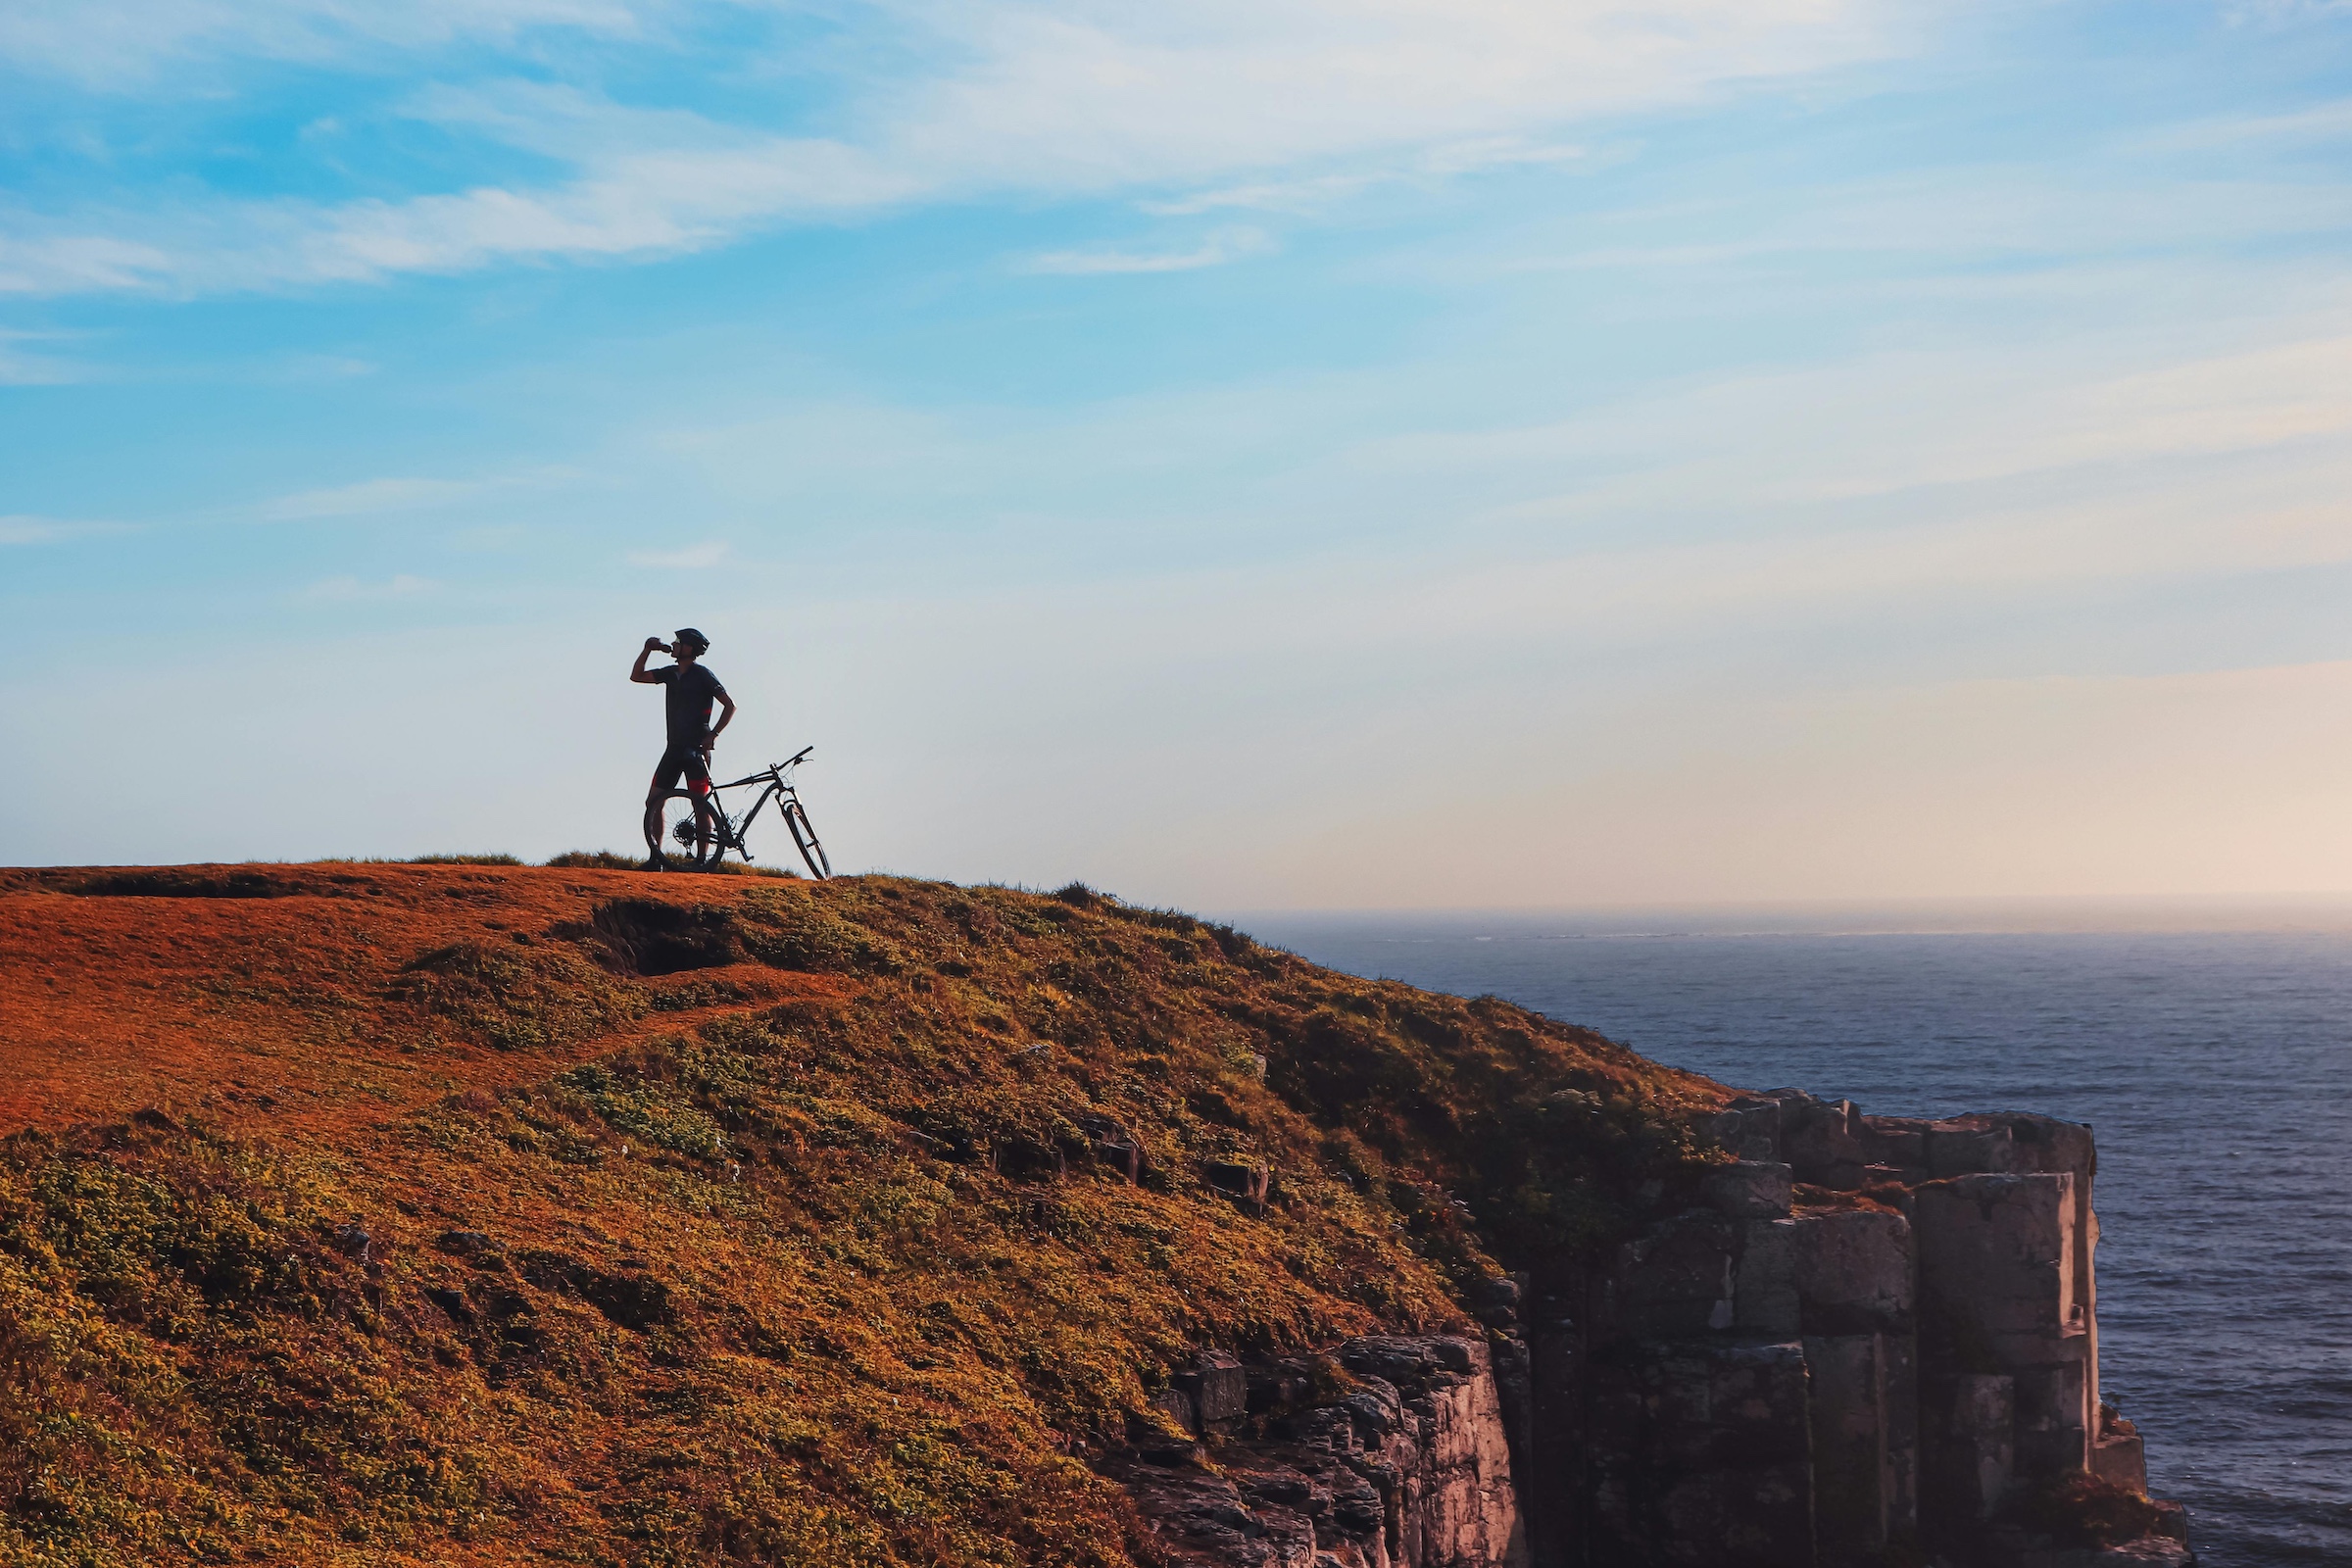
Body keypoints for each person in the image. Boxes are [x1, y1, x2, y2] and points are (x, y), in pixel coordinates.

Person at [630, 628, 737, 869]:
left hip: (696, 750)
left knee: (700, 803)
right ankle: (655, 858)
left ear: (689, 648)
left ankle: (702, 860)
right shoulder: (671, 673)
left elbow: (730, 706)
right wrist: (647, 649)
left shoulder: (703, 675)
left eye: (678, 642)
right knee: (653, 802)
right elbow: (636, 676)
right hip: (674, 749)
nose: (673, 645)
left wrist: (714, 734)